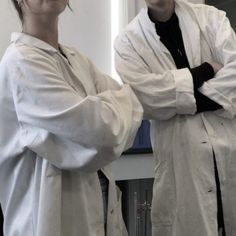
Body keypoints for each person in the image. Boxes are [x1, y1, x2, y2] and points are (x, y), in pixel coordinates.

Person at [0, 0, 143, 235]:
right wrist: (112, 109)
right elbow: (103, 133)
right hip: (48, 222)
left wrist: (110, 113)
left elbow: (132, 106)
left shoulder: (77, 59)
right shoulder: (21, 62)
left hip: (100, 210)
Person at [115, 0, 236, 235]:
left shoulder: (211, 18)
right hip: (181, 170)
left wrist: (175, 98)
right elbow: (146, 99)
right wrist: (207, 69)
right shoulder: (127, 42)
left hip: (228, 154)